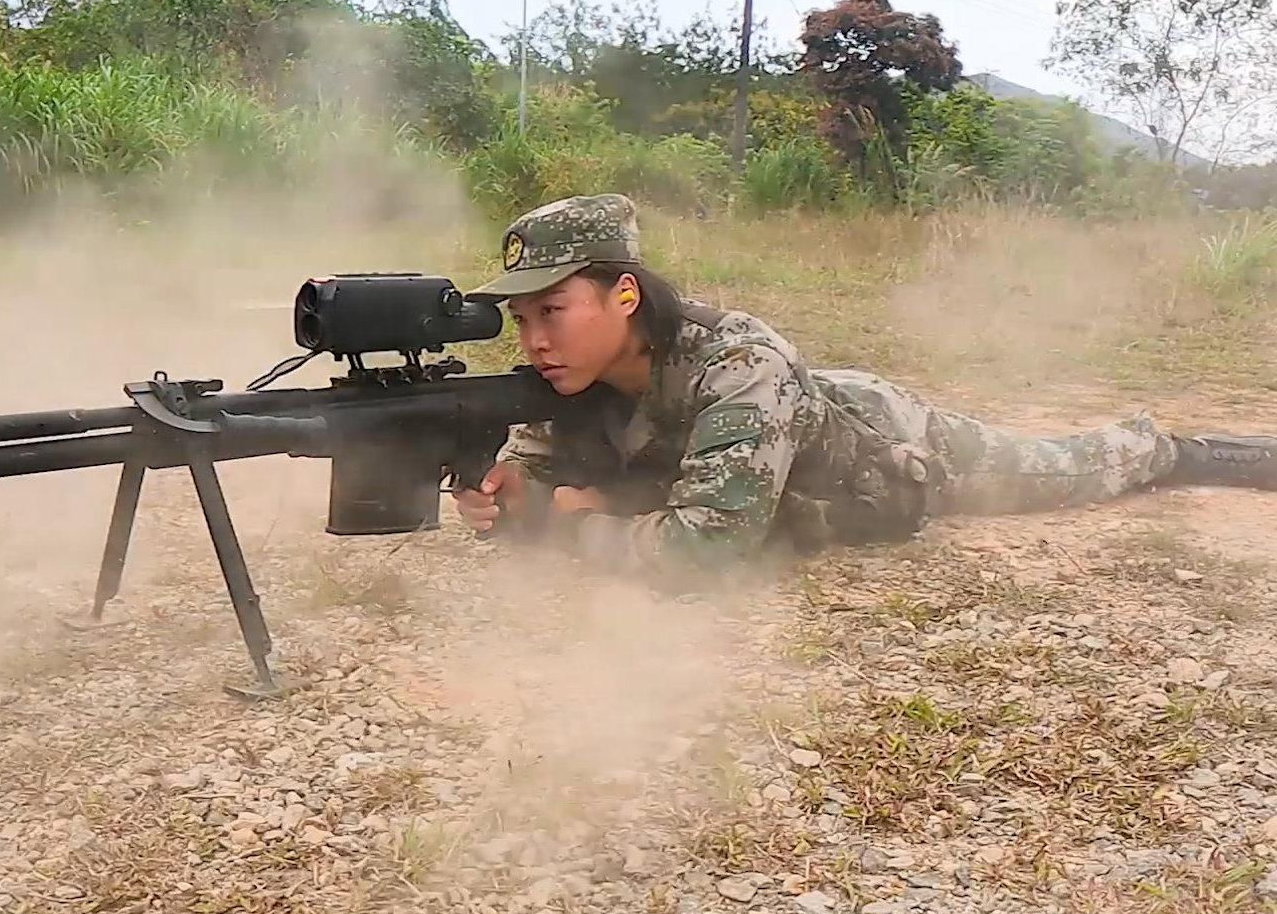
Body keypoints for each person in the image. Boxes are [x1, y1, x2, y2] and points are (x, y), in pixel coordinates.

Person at [452, 193, 1277, 577]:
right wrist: (509, 502)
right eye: (522, 318)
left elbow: (705, 547)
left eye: (553, 310)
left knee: (1065, 468)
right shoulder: (566, 375)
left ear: (623, 295)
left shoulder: (740, 366)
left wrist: (567, 529)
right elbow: (542, 476)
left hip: (891, 445)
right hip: (793, 417)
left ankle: (1178, 449)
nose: (535, 339)